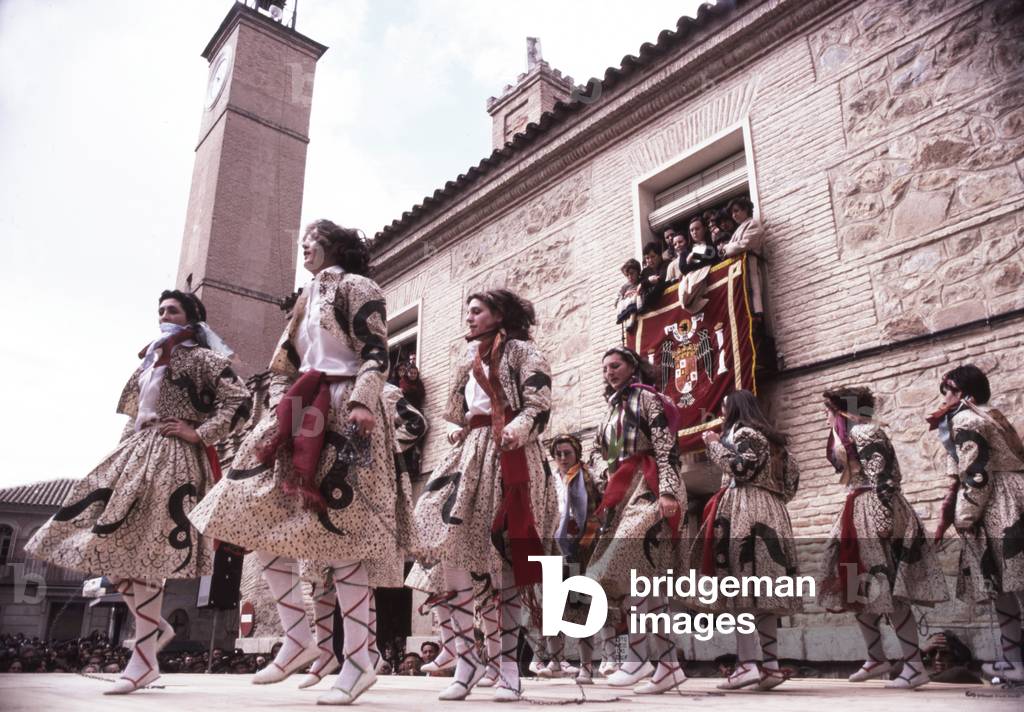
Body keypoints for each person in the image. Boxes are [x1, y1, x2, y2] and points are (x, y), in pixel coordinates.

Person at [188, 220, 409, 706]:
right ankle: (298, 636)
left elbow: (375, 349)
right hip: (299, 407)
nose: (303, 244)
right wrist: (273, 409)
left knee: (342, 530)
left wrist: (364, 401)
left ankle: (357, 660)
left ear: (334, 245)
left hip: (345, 403)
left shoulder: (357, 286)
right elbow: (283, 364)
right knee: (250, 520)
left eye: (313, 237)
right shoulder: (306, 297)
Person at [26, 290, 250, 695]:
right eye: (160, 310)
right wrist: (121, 451)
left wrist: (198, 433)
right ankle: (154, 632)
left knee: (145, 551)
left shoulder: (204, 359)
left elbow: (239, 400)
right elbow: (134, 417)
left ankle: (144, 660)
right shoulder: (148, 362)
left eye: (172, 310)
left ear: (192, 317)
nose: (163, 316)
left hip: (174, 458)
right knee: (111, 550)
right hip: (135, 455)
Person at [411, 289, 559, 701]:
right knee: (435, 545)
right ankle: (465, 654)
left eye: (476, 311)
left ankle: (508, 666)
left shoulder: (523, 352)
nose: (469, 319)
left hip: (510, 456)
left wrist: (517, 428)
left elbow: (538, 403)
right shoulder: (469, 360)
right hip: (469, 456)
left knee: (503, 562)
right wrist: (467, 429)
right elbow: (464, 411)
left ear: (499, 314)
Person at [819, 386, 948, 689]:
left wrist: (881, 521)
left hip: (873, 511)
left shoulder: (865, 433)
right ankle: (877, 657)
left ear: (843, 411)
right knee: (854, 585)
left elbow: (884, 480)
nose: (825, 418)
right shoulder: (856, 435)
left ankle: (914, 667)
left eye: (828, 412)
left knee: (886, 587)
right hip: (856, 511)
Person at [587, 346, 687, 694]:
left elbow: (666, 445)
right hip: (623, 493)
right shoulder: (609, 412)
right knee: (643, 581)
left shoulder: (648, 400)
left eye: (615, 365)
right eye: (604, 368)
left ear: (632, 367)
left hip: (651, 485)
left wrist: (670, 491)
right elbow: (597, 454)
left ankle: (639, 656)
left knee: (638, 570)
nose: (609, 372)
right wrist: (605, 476)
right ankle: (667, 665)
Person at [693, 390, 801, 691]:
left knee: (740, 587)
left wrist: (714, 445)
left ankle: (747, 664)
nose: (722, 414)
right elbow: (791, 485)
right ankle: (769, 666)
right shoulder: (777, 443)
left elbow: (741, 467)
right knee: (762, 592)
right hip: (773, 510)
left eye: (724, 408)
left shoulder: (743, 433)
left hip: (743, 509)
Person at [931, 365, 1024, 682]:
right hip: (1016, 493)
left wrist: (964, 516)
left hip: (1001, 503)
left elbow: (976, 474)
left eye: (948, 392)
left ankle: (1014, 659)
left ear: (961, 393)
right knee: (1007, 585)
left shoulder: (966, 418)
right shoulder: (991, 413)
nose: (944, 398)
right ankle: (1014, 660)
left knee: (1010, 583)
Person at [541, 433, 604, 684]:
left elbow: (603, 499)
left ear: (577, 452)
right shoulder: (549, 479)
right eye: (558, 454)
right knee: (551, 607)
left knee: (580, 607)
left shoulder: (587, 477)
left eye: (567, 453)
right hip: (553, 547)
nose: (563, 458)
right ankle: (555, 661)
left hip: (580, 547)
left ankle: (586, 667)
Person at [719, 197, 766, 315]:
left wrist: (725, 248)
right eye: (732, 213)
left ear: (746, 210)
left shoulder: (753, 224)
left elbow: (745, 244)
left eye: (736, 211)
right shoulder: (739, 229)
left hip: (750, 266)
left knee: (752, 298)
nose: (733, 215)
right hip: (739, 269)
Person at [638, 242, 668, 314]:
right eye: (647, 258)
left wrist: (645, 284)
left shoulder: (666, 264)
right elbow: (640, 287)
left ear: (659, 256)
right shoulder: (645, 272)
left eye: (653, 256)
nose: (650, 260)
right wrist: (648, 281)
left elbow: (662, 280)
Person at [615, 258, 642, 333]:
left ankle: (632, 319)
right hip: (628, 308)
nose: (630, 277)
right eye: (627, 275)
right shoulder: (624, 287)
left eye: (632, 273)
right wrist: (625, 295)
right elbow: (616, 302)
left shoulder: (642, 281)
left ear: (638, 271)